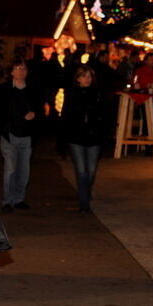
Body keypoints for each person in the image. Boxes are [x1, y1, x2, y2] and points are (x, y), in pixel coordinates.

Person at [0, 60, 43, 212]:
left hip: (27, 136)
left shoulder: (33, 90)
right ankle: (7, 201)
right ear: (12, 72)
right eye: (18, 68)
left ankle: (19, 199)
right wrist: (3, 128)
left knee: (24, 170)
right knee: (10, 168)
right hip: (9, 135)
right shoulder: (4, 90)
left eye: (24, 68)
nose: (21, 71)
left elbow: (41, 109)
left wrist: (35, 115)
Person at [60, 65, 103, 213]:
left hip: (93, 136)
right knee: (82, 170)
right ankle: (84, 203)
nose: (87, 79)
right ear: (78, 78)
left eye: (89, 76)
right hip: (76, 136)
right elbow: (66, 115)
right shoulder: (71, 93)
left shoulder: (97, 93)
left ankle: (85, 192)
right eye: (84, 76)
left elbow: (103, 113)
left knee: (90, 170)